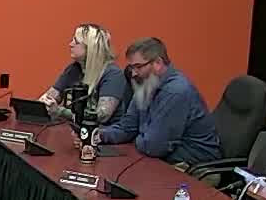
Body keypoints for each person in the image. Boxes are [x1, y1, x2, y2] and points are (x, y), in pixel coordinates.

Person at [94, 37, 222, 166]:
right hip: (162, 159)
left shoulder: (175, 91)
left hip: (193, 166)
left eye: (138, 67)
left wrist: (137, 138)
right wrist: (98, 135)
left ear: (158, 63)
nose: (133, 74)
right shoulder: (145, 85)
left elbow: (153, 147)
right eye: (132, 67)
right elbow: (127, 128)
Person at [39, 24, 128, 127]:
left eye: (76, 42)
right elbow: (50, 97)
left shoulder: (113, 74)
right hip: (76, 130)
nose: (70, 44)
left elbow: (102, 116)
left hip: (104, 133)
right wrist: (45, 103)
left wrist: (60, 111)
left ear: (91, 47)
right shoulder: (74, 69)